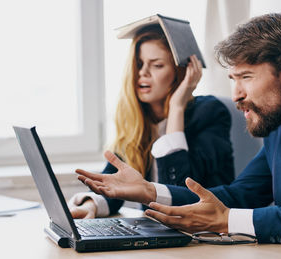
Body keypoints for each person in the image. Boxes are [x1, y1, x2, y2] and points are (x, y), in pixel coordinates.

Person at [75, 13, 281, 245]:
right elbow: (236, 195)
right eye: (233, 79)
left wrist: (227, 221)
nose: (237, 94)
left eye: (246, 77)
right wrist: (151, 190)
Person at [69, 24, 235, 218]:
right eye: (139, 64)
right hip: (157, 234)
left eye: (156, 65)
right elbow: (114, 186)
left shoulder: (209, 113)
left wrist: (176, 108)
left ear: (181, 72)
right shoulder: (138, 121)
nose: (143, 73)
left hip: (203, 233)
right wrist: (90, 206)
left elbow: (181, 195)